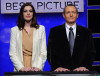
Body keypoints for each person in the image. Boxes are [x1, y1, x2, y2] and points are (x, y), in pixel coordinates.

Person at [47, 4, 96, 72]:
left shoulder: (86, 32)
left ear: (77, 15)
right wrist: (57, 67)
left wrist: (85, 66)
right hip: (60, 72)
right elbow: (50, 53)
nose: (71, 15)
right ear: (63, 15)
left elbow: (91, 52)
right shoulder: (54, 31)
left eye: (73, 12)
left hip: (81, 72)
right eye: (68, 12)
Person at [9, 3, 47, 72]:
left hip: (36, 68)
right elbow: (12, 53)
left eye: (30, 11)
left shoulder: (41, 29)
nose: (28, 13)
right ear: (22, 14)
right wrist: (21, 68)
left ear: (33, 14)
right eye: (25, 11)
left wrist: (38, 67)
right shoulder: (14, 30)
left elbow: (43, 52)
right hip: (20, 69)